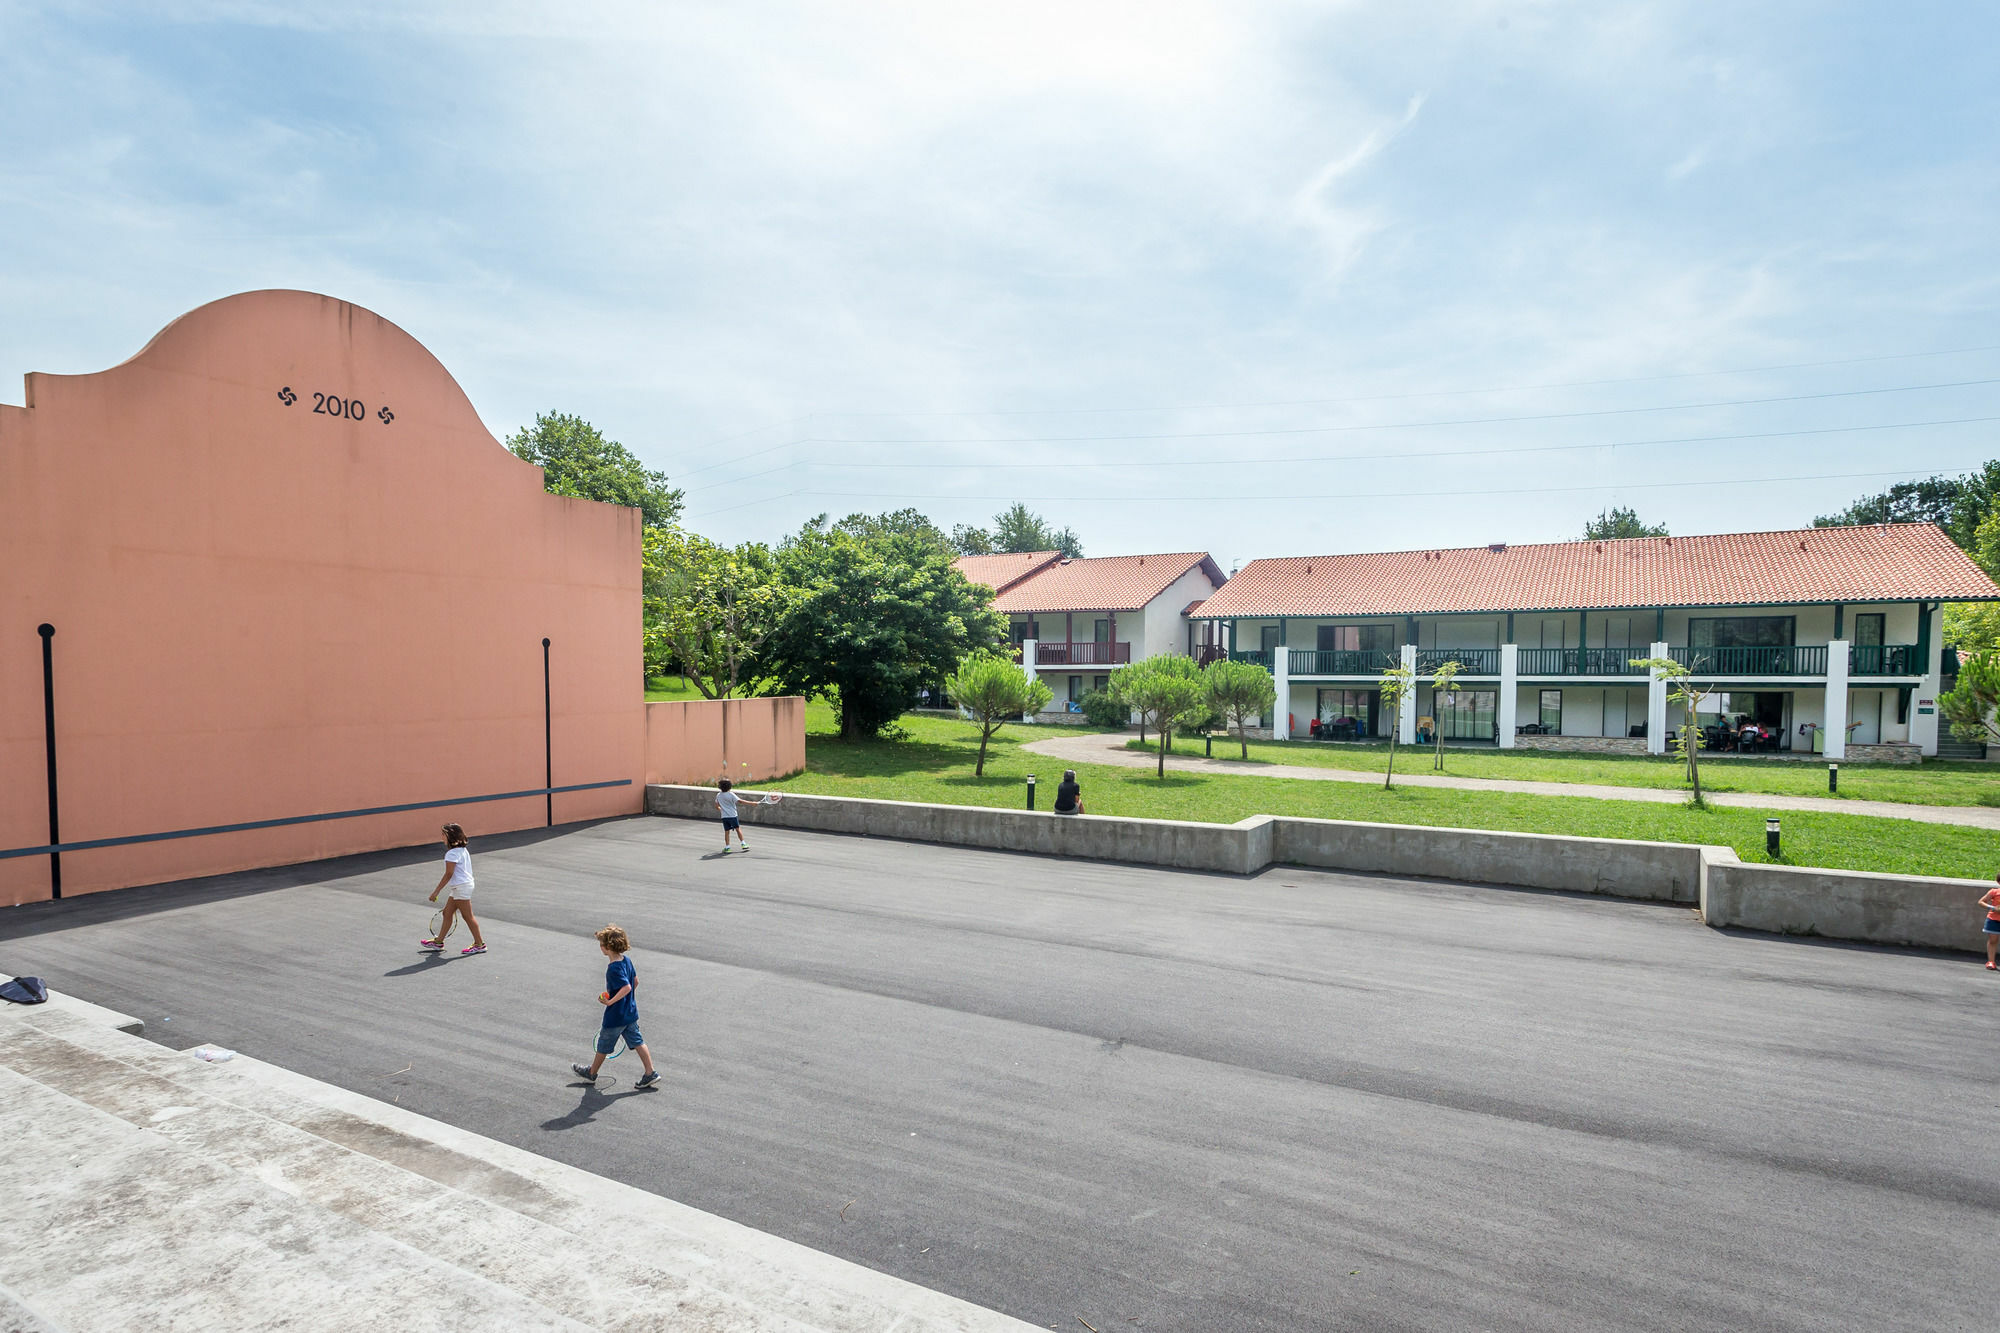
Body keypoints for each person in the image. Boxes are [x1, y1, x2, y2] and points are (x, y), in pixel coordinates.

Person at [573, 924, 659, 1087]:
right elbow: (635, 982)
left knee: (603, 1045)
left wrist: (610, 1001)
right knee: (638, 1042)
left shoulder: (613, 968)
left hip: (615, 1016)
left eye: (601, 944)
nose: (600, 947)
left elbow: (626, 986)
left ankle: (591, 1073)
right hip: (630, 1013)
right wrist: (626, 998)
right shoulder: (626, 961)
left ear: (607, 947)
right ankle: (650, 1072)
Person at [422, 823, 486, 956]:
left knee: (468, 917)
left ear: (450, 836)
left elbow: (448, 874)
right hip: (462, 886)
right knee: (447, 913)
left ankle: (480, 944)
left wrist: (436, 891)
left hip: (461, 887)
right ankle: (438, 942)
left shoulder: (451, 854)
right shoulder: (463, 850)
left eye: (443, 835)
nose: (442, 837)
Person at [715, 778, 776, 853]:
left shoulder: (718, 795)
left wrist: (722, 809)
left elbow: (717, 806)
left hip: (724, 817)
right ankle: (743, 844)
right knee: (738, 829)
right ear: (730, 787)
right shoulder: (731, 794)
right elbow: (740, 801)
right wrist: (752, 803)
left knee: (727, 832)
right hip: (733, 816)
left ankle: (727, 847)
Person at [1981, 876, 2000, 971]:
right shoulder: (1994, 892)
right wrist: (1993, 908)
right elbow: (1981, 902)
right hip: (1993, 919)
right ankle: (1991, 961)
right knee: (1993, 940)